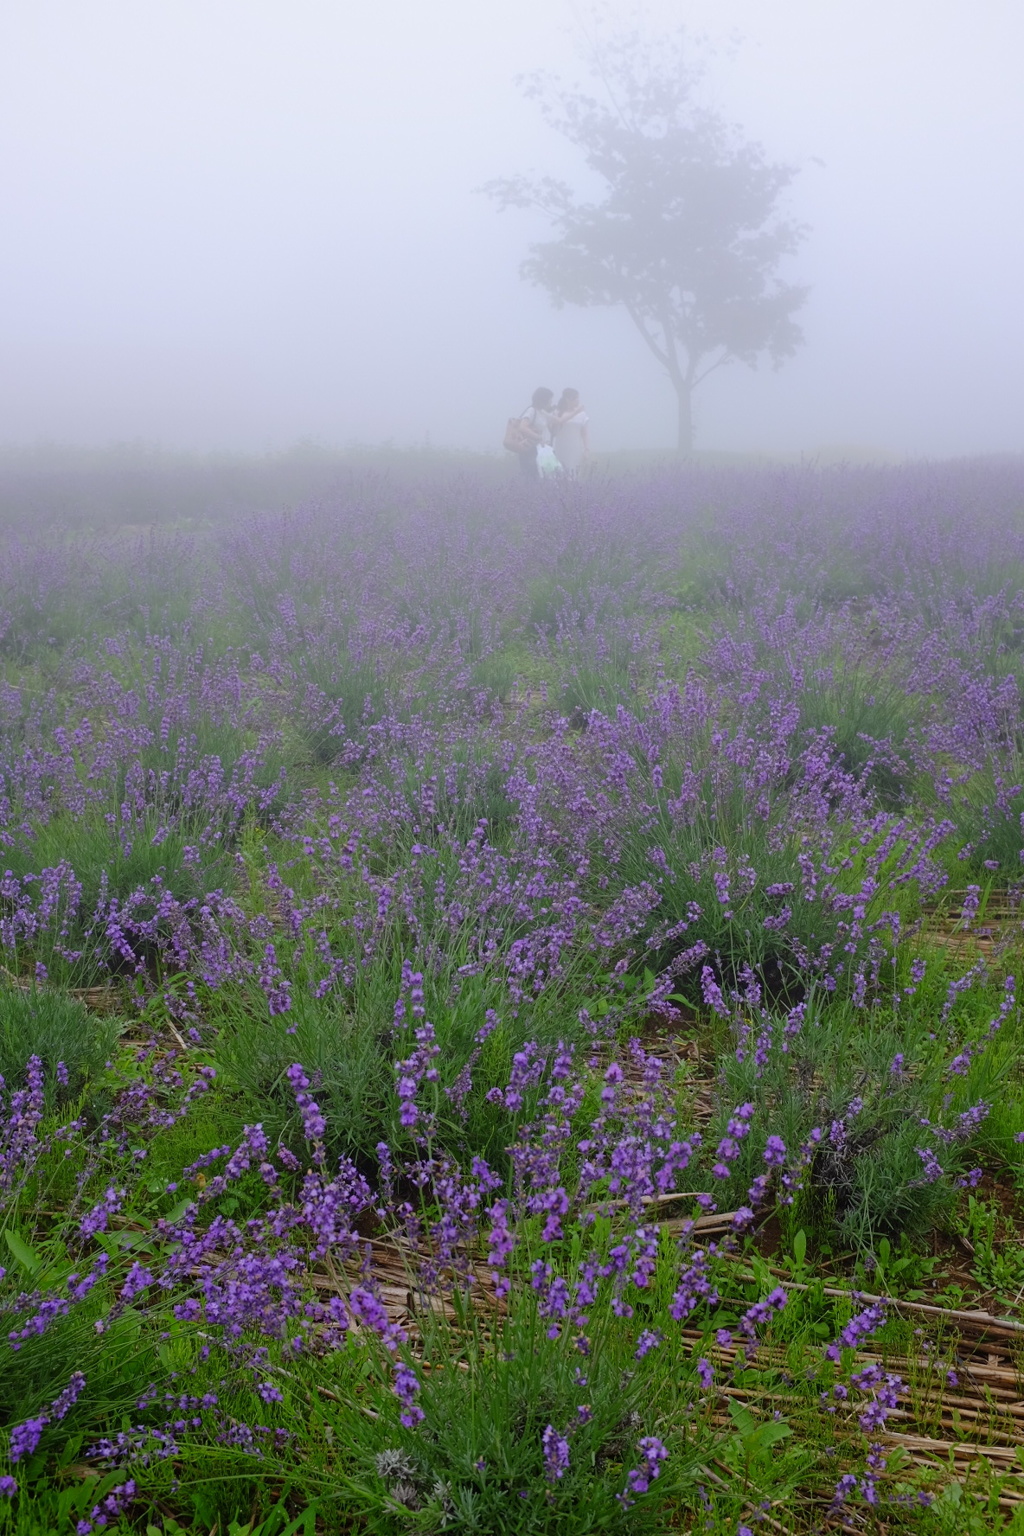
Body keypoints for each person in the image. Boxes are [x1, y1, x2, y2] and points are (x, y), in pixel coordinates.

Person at [516, 387, 555, 478]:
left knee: (544, 476)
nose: (551, 402)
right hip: (530, 450)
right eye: (550, 400)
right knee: (533, 477)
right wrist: (538, 437)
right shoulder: (531, 411)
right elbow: (522, 427)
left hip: (540, 450)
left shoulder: (541, 412)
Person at [552, 388, 590, 477]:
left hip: (575, 448)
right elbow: (557, 424)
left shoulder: (582, 415)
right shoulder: (557, 412)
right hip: (560, 447)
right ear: (568, 399)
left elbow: (584, 433)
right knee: (559, 473)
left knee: (574, 473)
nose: (578, 401)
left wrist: (586, 449)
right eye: (576, 398)